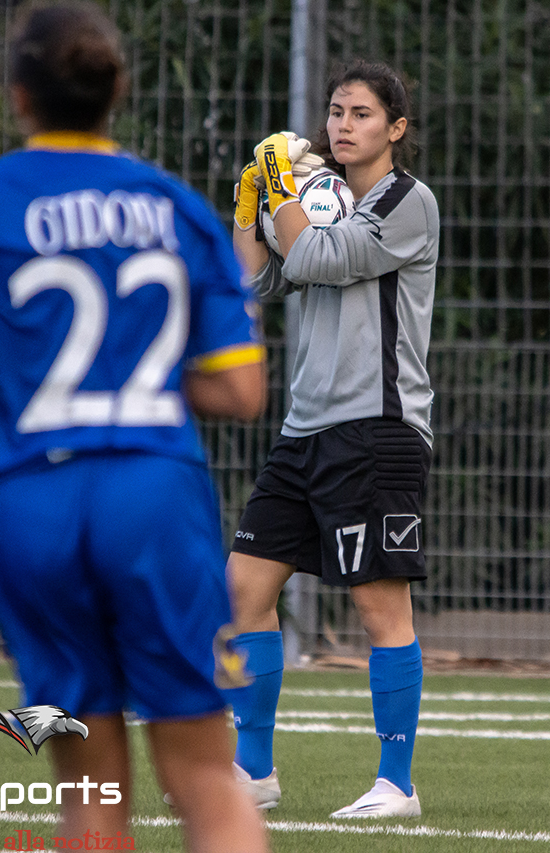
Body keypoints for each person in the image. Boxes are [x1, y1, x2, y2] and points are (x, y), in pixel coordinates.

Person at [0, 3, 271, 851]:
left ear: (17, 94)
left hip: (26, 495)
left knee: (94, 797)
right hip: (150, 488)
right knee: (207, 778)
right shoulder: (175, 205)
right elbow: (243, 390)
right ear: (118, 90)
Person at [226, 58, 439, 819]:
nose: (343, 125)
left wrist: (283, 192)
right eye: (336, 112)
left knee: (380, 609)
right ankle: (253, 771)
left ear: (396, 129)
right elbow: (249, 282)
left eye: (361, 114)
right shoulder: (316, 197)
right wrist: (252, 201)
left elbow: (315, 256)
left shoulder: (409, 202)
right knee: (243, 590)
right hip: (303, 431)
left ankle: (397, 783)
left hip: (376, 428)